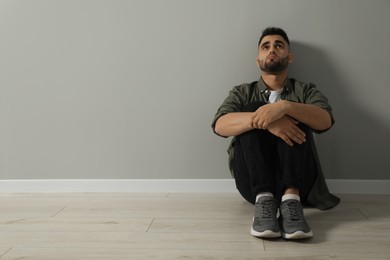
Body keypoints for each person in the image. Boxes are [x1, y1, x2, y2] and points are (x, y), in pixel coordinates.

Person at [211, 27, 340, 240]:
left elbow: (324, 120)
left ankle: (291, 202)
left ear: (289, 57)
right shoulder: (241, 91)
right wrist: (267, 122)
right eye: (266, 46)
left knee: (302, 111)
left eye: (279, 45)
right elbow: (220, 125)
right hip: (252, 184)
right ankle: (265, 201)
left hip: (300, 181)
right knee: (253, 106)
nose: (272, 50)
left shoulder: (305, 90)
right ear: (258, 59)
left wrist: (285, 107)